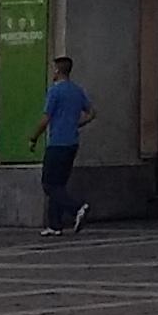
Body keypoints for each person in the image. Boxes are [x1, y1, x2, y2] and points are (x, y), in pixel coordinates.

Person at [35, 56, 94, 237]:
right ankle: (55, 224)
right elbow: (91, 113)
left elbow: (46, 118)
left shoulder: (55, 92)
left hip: (57, 143)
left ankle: (77, 207)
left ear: (57, 71)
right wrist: (76, 124)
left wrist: (33, 137)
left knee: (49, 184)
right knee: (59, 183)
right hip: (72, 143)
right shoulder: (77, 90)